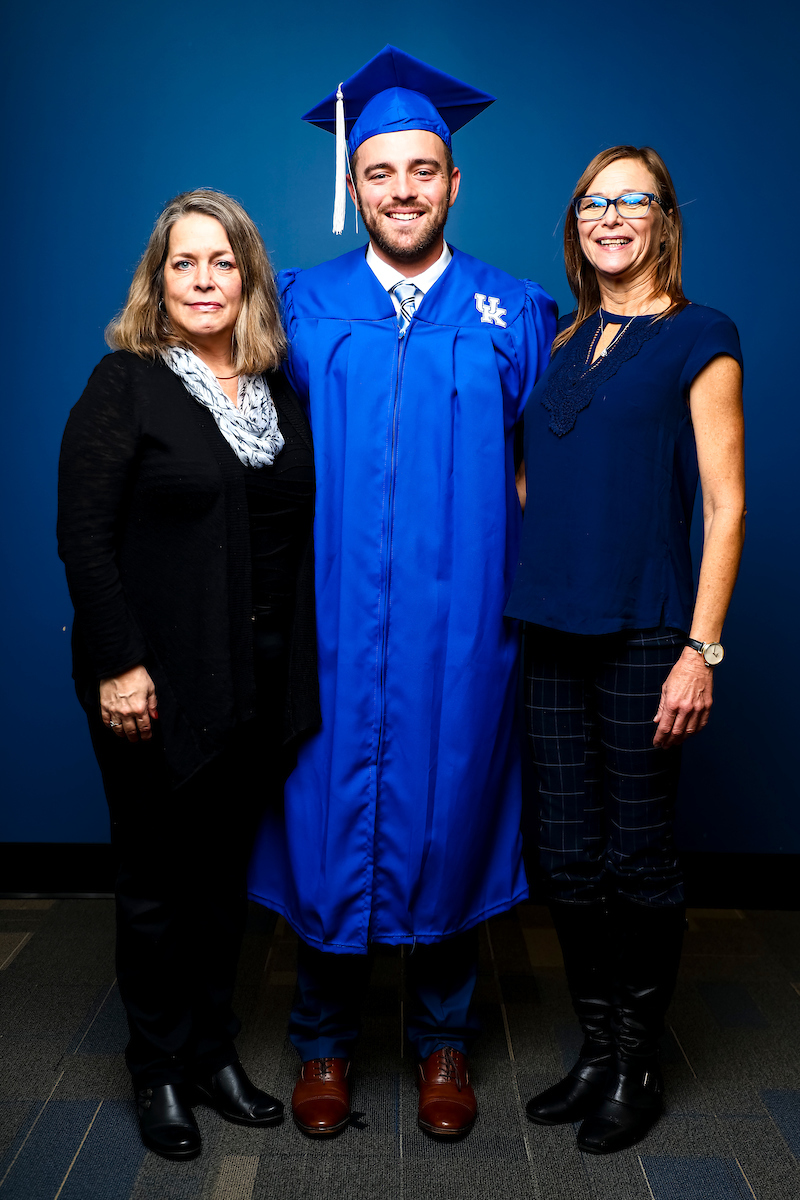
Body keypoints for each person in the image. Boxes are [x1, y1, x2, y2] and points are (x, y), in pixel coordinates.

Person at [247, 45, 557, 1139]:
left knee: (451, 812)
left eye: (423, 170)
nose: (403, 190)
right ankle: (323, 1045)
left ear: (454, 181)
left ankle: (440, 1042)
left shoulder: (512, 315)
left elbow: (549, 472)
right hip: (327, 621)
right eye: (380, 172)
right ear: (353, 181)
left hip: (464, 628)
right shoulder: (293, 309)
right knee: (327, 816)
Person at [57, 189, 319, 1161]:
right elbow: (82, 538)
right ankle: (158, 1071)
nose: (204, 279)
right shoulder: (124, 383)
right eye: (184, 263)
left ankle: (212, 1055)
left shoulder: (274, 393)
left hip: (253, 675)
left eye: (223, 262)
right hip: (153, 681)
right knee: (157, 887)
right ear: (157, 280)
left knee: (220, 884)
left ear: (247, 277)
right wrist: (120, 666)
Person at [505, 145, 745, 1154]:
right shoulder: (558, 339)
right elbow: (529, 478)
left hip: (648, 631)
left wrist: (702, 647)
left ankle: (636, 1065)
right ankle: (596, 1051)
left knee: (635, 857)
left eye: (628, 200)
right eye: (591, 202)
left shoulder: (702, 335)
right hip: (547, 631)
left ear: (662, 220)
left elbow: (726, 502)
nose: (607, 216)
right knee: (564, 856)